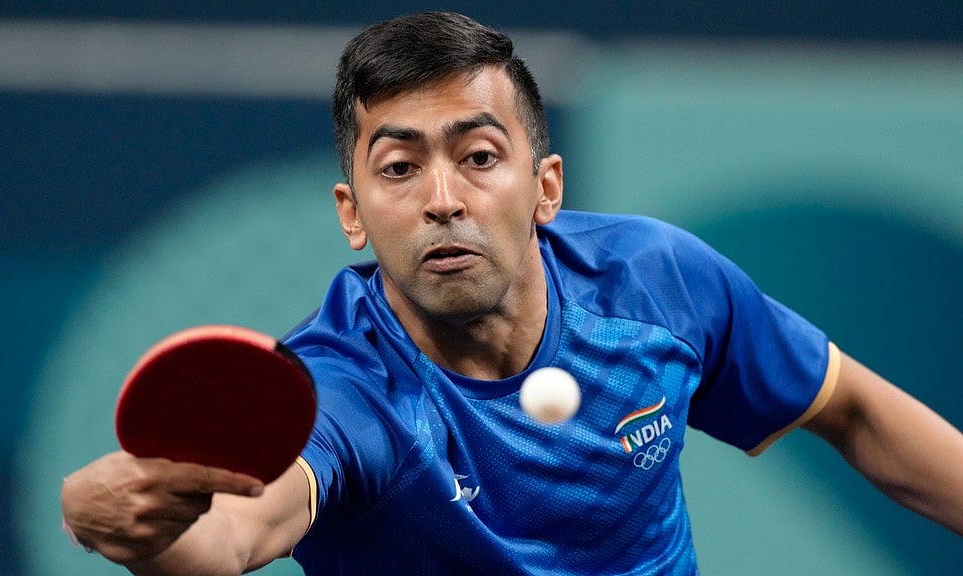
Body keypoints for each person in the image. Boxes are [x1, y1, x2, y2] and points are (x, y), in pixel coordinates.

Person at [60, 11, 963, 575]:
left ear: (546, 186)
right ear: (353, 213)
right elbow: (236, 537)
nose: (443, 197)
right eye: (400, 166)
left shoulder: (659, 283)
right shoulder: (346, 388)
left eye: (480, 157)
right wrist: (130, 528)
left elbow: (848, 408)